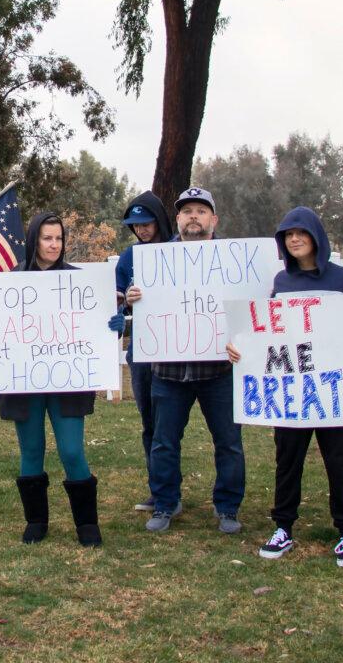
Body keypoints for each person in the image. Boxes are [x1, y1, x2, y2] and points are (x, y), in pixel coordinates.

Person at [227, 207, 343, 567]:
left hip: (333, 393)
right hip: (292, 392)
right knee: (287, 459)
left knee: (341, 458)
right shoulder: (281, 283)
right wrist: (241, 345)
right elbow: (269, 332)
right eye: (287, 235)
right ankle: (283, 526)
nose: (295, 239)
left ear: (316, 236)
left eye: (301, 233)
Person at [0, 212, 123, 547]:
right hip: (24, 382)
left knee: (72, 451)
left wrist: (114, 327)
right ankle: (36, 520)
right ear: (34, 240)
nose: (53, 244)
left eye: (58, 238)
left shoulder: (81, 283)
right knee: (31, 449)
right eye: (47, 238)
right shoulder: (7, 281)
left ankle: (87, 523)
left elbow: (96, 330)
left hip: (68, 382)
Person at [125, 187, 245, 535]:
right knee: (164, 441)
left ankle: (227, 507)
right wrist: (134, 298)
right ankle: (165, 503)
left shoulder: (235, 259)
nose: (194, 216)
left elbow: (252, 308)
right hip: (169, 369)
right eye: (187, 211)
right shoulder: (156, 260)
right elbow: (135, 302)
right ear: (177, 219)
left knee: (228, 442)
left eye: (201, 211)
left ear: (214, 219)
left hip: (219, 369)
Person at [114, 191, 173, 511]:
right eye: (136, 226)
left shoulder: (178, 251)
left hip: (179, 350)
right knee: (150, 423)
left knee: (170, 426)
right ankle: (160, 490)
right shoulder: (128, 258)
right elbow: (115, 298)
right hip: (142, 350)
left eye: (147, 223)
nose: (142, 230)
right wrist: (124, 299)